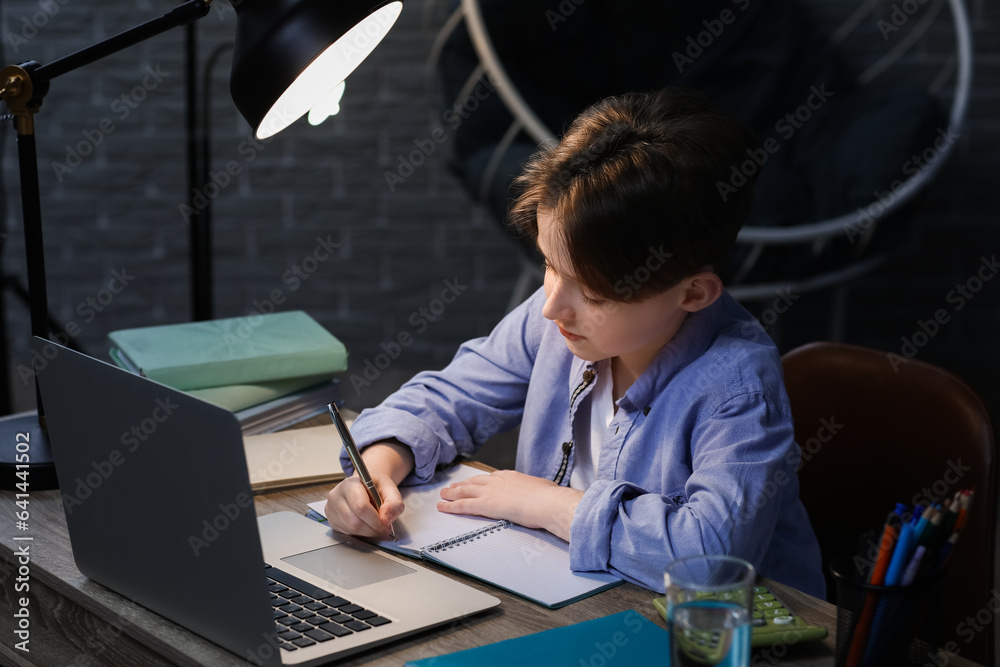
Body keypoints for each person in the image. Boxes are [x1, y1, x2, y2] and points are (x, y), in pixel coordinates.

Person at [325, 87, 825, 597]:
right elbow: (447, 397)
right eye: (548, 264)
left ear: (692, 292)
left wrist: (545, 503)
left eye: (593, 293)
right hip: (574, 600)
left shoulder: (737, 387)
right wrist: (379, 465)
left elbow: (710, 560)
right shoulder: (560, 321)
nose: (551, 307)